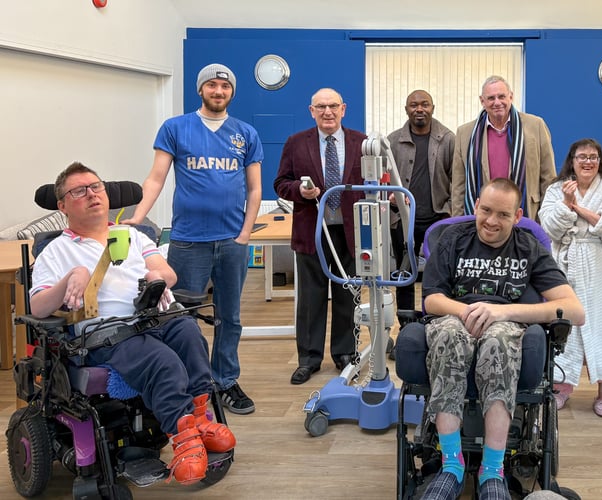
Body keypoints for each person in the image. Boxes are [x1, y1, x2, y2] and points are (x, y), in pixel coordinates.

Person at [29, 162, 236, 485]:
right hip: (105, 336)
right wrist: (73, 276)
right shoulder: (55, 252)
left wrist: (158, 275)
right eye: (79, 191)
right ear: (62, 205)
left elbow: (168, 274)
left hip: (152, 317)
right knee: (161, 360)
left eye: (96, 186)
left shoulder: (132, 235)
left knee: (188, 332)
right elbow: (38, 306)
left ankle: (198, 417)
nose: (92, 194)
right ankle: (184, 437)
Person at [421, 178, 585, 500]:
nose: (491, 221)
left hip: (506, 322)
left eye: (502, 214)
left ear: (518, 215)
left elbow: (574, 311)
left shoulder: (528, 248)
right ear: (476, 206)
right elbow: (431, 299)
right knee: (449, 336)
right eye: (485, 210)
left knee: (498, 342)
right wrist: (468, 311)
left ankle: (492, 470)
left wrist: (504, 313)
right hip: (456, 317)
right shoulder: (454, 239)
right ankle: (451, 465)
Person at [124, 63, 263, 415]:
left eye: (225, 86)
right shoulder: (176, 128)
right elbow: (156, 178)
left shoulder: (245, 133)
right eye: (212, 85)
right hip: (188, 241)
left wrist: (245, 234)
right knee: (178, 317)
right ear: (200, 90)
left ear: (232, 92)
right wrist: (137, 217)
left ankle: (226, 380)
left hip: (232, 242)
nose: (219, 91)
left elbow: (255, 188)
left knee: (229, 317)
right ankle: (186, 383)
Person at [274, 88, 367, 385]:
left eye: (333, 106)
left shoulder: (361, 142)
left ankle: (344, 354)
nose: (327, 112)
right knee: (311, 299)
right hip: (311, 232)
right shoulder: (295, 142)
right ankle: (309, 359)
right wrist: (299, 193)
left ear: (343, 109)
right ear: (311, 111)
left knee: (346, 296)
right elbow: (280, 183)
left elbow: (371, 182)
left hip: (350, 233)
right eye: (321, 107)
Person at [538, 138, 602, 418]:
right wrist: (567, 206)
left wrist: (579, 209)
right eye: (582, 157)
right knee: (563, 324)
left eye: (593, 157)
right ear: (572, 161)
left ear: (600, 161)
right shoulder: (556, 190)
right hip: (565, 264)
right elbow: (549, 228)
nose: (588, 162)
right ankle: (561, 386)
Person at [386, 89, 454, 315]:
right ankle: (406, 326)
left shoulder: (447, 138)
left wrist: (452, 212)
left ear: (432, 108)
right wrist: (391, 196)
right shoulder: (392, 142)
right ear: (406, 110)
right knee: (404, 273)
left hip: (439, 219)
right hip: (402, 219)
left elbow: (457, 178)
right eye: (414, 105)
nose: (419, 109)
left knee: (439, 273)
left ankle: (434, 320)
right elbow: (383, 180)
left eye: (425, 104)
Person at [451, 75, 556, 221]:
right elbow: (458, 186)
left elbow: (548, 178)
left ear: (511, 97)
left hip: (525, 212)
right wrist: (458, 223)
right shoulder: (465, 133)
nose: (497, 102)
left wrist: (547, 218)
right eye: (491, 98)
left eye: (501, 96)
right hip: (482, 216)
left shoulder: (535, 125)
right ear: (482, 101)